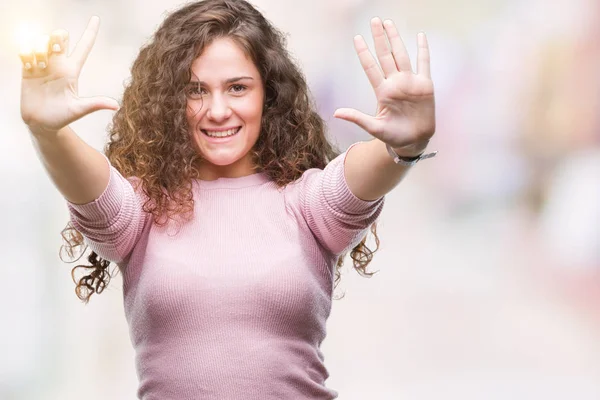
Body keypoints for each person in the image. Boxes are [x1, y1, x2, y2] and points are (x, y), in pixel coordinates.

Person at [19, 0, 436, 398]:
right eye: (196, 90)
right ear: (168, 101)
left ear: (267, 95)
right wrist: (47, 132)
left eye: (237, 87)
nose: (218, 110)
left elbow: (362, 174)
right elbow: (90, 186)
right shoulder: (142, 208)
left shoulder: (308, 203)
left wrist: (405, 145)